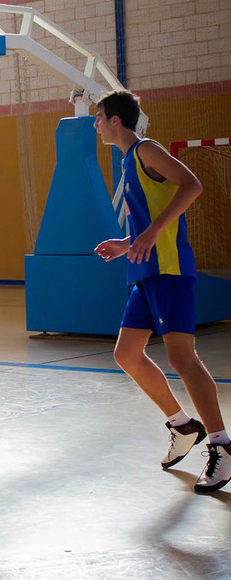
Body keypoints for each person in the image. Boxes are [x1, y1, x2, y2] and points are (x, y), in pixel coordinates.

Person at [93, 89, 230, 493]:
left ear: (115, 120)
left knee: (182, 358)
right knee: (126, 354)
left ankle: (222, 445)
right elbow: (150, 215)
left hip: (168, 269)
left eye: (99, 117)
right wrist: (127, 242)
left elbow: (192, 185)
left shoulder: (145, 150)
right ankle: (183, 426)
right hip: (145, 272)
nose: (96, 125)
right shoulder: (127, 162)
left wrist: (152, 232)